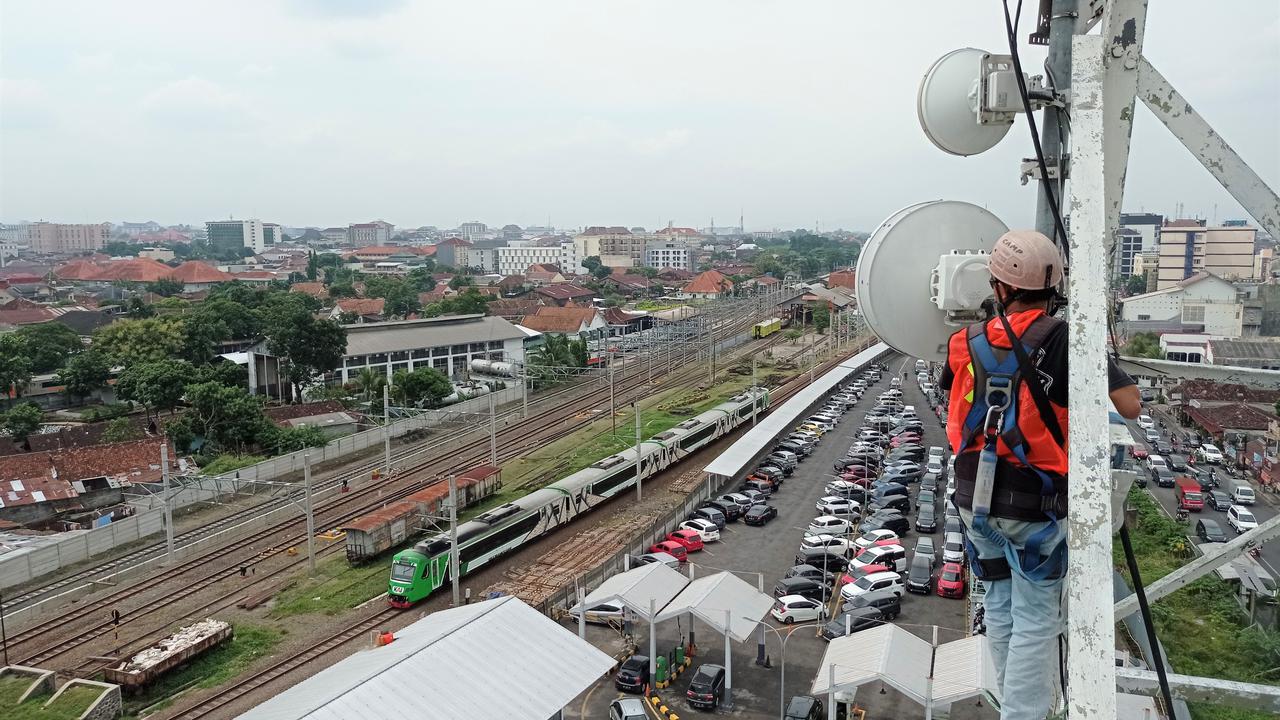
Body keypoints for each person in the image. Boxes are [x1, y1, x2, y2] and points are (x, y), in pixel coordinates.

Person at [939, 230, 1140, 720]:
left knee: (999, 604)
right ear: (1054, 289)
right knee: (1033, 617)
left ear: (1000, 287)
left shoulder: (965, 340)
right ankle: (1021, 713)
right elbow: (1130, 404)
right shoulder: (1065, 340)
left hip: (972, 498)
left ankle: (1014, 706)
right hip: (1034, 506)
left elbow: (953, 394)